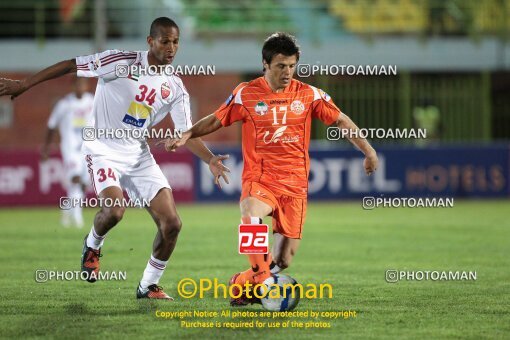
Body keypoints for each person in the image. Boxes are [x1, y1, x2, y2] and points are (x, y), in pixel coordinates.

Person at [0, 17, 229, 300]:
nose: (171, 48)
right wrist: (25, 84)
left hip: (137, 154)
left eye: (175, 42)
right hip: (102, 149)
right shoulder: (120, 62)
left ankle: (148, 286)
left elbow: (188, 133)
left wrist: (209, 159)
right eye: (165, 41)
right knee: (115, 210)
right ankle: (93, 244)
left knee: (172, 224)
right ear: (150, 41)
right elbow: (72, 64)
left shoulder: (175, 87)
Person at [163, 32, 379, 305]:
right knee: (251, 213)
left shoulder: (309, 95)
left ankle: (243, 282)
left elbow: (341, 121)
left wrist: (368, 151)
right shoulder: (246, 93)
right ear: (265, 64)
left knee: (283, 260)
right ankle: (263, 281)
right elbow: (216, 119)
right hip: (261, 179)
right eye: (280, 66)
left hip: (296, 186)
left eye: (292, 66)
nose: (287, 72)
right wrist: (187, 133)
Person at [41, 77, 94, 228]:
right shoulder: (64, 104)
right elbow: (51, 126)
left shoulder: (91, 101)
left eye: (83, 84)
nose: (80, 87)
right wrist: (46, 149)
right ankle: (78, 221)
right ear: (73, 86)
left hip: (88, 148)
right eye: (77, 84)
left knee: (84, 184)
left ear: (86, 86)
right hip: (71, 148)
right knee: (75, 179)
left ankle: (67, 210)